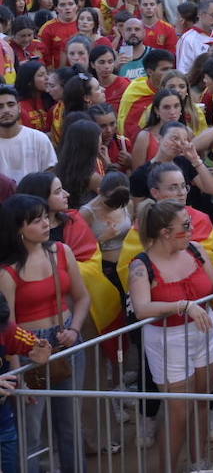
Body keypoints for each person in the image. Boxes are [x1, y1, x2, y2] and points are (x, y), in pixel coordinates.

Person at [127, 198, 213, 473]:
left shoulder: (196, 250)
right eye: (185, 226)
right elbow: (142, 308)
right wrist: (183, 306)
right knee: (178, 413)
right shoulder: (141, 265)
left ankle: (201, 464)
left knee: (202, 402)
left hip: (204, 333)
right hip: (168, 342)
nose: (191, 231)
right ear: (165, 232)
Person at [0, 194, 90, 473]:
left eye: (45, 217)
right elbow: (8, 329)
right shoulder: (7, 271)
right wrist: (19, 379)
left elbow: (82, 297)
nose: (45, 223)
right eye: (36, 220)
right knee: (31, 428)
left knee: (70, 423)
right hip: (28, 352)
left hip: (66, 342)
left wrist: (74, 329)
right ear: (18, 228)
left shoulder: (62, 251)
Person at [0, 84, 57, 183]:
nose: (6, 110)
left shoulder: (39, 139)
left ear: (19, 107)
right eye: (0, 107)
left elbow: (50, 175)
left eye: (10, 105)